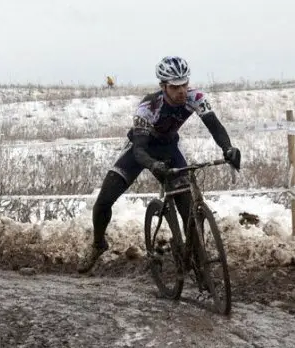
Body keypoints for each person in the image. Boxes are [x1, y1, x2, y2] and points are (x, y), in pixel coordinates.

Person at [78, 56, 241, 274]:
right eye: (175, 87)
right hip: (140, 149)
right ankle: (98, 244)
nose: (182, 90)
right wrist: (153, 165)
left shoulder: (196, 97)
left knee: (189, 208)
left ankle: (195, 255)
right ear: (163, 86)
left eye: (185, 83)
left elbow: (214, 125)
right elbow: (138, 151)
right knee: (103, 202)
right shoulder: (149, 106)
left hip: (169, 149)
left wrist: (227, 148)